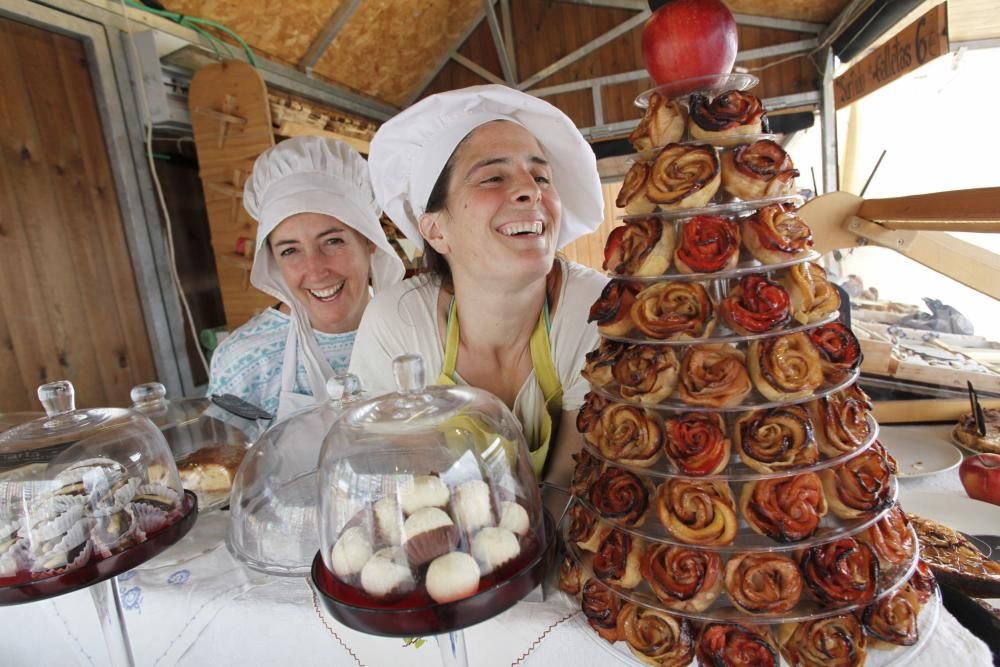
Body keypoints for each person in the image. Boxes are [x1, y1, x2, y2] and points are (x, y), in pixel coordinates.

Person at [350, 85, 608, 486]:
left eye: (541, 175)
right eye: (492, 177)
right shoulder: (399, 326)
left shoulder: (591, 309)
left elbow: (569, 490)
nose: (531, 190)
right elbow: (406, 492)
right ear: (435, 230)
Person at [208, 136, 404, 420]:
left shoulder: (413, 331)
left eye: (333, 241)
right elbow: (222, 462)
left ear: (369, 241)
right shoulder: (244, 362)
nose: (315, 270)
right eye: (290, 250)